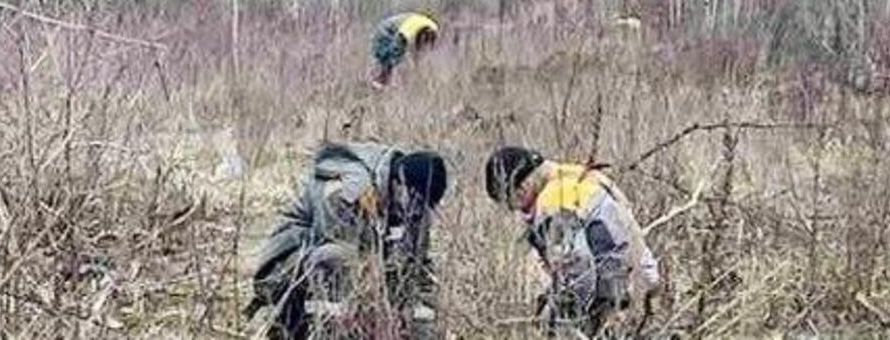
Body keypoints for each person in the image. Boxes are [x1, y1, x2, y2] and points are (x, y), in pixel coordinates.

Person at [248, 141, 450, 339]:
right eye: (415, 201)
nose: (416, 210)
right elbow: (356, 265)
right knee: (339, 257)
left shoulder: (416, 204)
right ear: (399, 183)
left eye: (423, 205)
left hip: (356, 271)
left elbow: (417, 267)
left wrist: (426, 316)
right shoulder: (345, 190)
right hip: (289, 265)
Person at [484, 146, 660, 336]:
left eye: (514, 205)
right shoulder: (583, 176)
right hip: (646, 291)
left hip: (616, 303)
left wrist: (556, 321)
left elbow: (580, 274)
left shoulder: (553, 201)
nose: (520, 212)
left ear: (521, 189)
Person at [371, 12, 440, 88]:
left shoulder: (433, 28)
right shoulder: (409, 29)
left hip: (400, 27)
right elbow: (398, 46)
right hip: (387, 29)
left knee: (398, 56)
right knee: (391, 56)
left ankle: (384, 81)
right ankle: (380, 82)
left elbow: (424, 46)